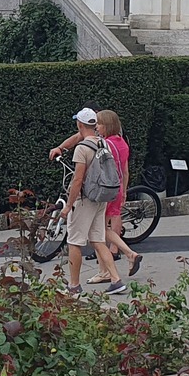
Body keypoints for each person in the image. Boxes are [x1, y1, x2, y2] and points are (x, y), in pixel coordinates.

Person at [52, 108, 123, 293]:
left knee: (74, 242)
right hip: (101, 197)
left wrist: (68, 205)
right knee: (98, 240)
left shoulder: (82, 148)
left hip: (85, 199)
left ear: (80, 124)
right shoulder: (103, 143)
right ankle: (116, 280)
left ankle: (74, 285)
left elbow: (77, 180)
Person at [95, 109, 143, 278]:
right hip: (118, 189)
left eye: (99, 124)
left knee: (99, 229)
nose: (96, 127)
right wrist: (123, 191)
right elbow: (125, 170)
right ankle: (107, 268)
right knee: (102, 229)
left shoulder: (106, 144)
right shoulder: (122, 143)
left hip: (106, 190)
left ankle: (127, 255)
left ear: (106, 125)